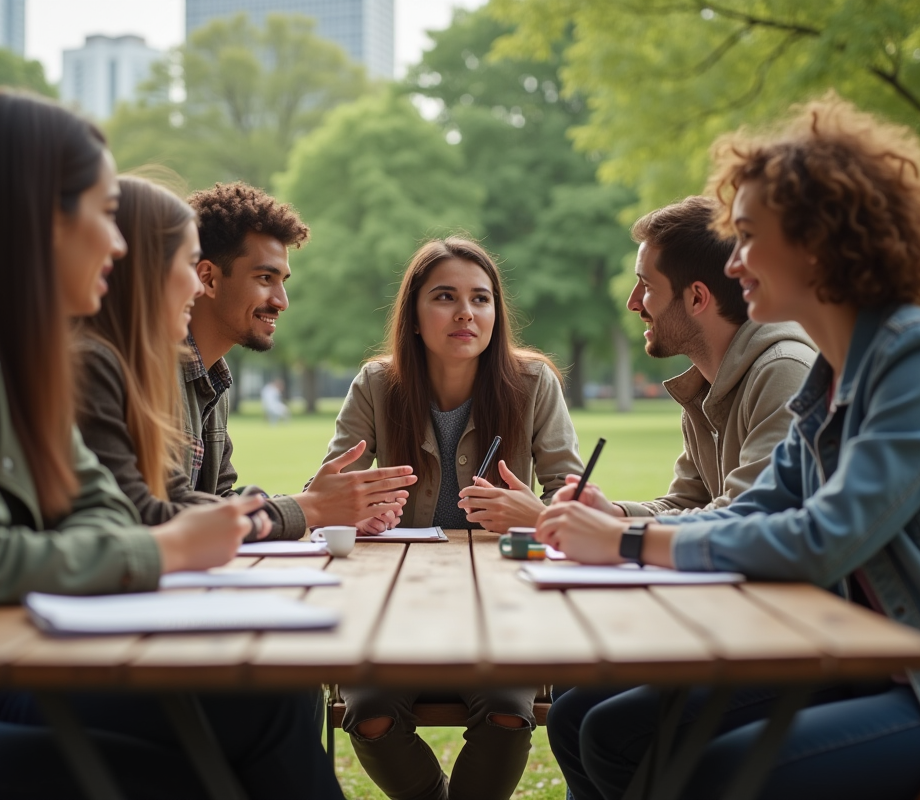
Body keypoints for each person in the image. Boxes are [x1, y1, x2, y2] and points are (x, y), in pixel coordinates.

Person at [0, 91, 342, 800]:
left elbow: (105, 511)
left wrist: (144, 542)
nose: (117, 243)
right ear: (38, 214)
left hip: (6, 672)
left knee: (268, 703)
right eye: (105, 214)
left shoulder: (21, 353)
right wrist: (167, 548)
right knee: (177, 782)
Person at [536, 95, 920, 800]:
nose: (734, 263)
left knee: (708, 770)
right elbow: (753, 510)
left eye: (746, 237)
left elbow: (824, 539)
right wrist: (618, 528)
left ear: (816, 241)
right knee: (598, 724)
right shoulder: (832, 375)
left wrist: (625, 544)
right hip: (863, 663)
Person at [323, 237, 584, 800]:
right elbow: (327, 493)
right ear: (414, 317)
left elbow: (573, 497)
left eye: (482, 298)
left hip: (502, 609)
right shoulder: (376, 384)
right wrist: (357, 511)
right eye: (445, 296)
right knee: (368, 714)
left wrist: (535, 514)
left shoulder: (534, 384)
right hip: (391, 607)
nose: (467, 312)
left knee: (510, 713)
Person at [184, 181, 416, 537]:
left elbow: (219, 500)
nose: (282, 301)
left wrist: (322, 508)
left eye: (283, 281)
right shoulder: (152, 372)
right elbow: (167, 510)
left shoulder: (214, 378)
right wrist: (311, 507)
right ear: (209, 279)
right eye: (265, 278)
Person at [578, 196, 814, 521]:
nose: (633, 303)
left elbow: (746, 517)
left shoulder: (784, 372)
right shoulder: (703, 386)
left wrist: (618, 536)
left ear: (698, 298)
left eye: (645, 285)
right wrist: (613, 514)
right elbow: (686, 505)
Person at [75, 175, 238, 526]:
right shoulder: (94, 363)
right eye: (189, 263)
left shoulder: (140, 367)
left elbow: (193, 497)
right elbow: (148, 511)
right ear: (147, 269)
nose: (198, 287)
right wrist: (304, 509)